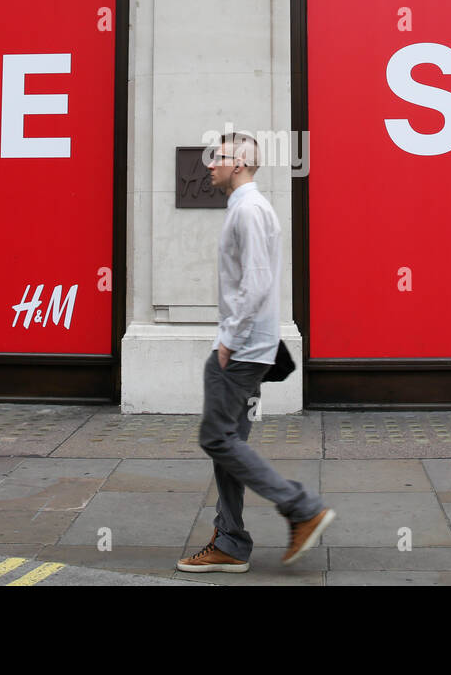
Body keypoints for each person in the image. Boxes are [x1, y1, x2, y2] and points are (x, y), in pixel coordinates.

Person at [176, 131, 335, 574]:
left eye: (218, 157)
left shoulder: (247, 209)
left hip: (240, 349)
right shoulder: (246, 208)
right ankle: (230, 540)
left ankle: (301, 507)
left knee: (216, 438)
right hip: (248, 346)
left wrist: (229, 340)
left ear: (241, 163)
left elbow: (258, 282)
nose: (209, 165)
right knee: (229, 442)